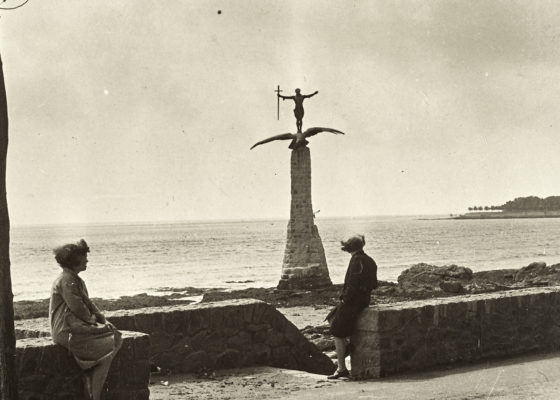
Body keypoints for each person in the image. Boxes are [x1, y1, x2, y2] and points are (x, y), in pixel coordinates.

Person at [49, 239, 122, 400]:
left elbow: (88, 304)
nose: (87, 260)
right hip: (66, 330)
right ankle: (93, 395)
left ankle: (90, 376)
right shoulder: (66, 280)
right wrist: (94, 321)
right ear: (75, 260)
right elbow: (78, 307)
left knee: (115, 338)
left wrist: (103, 320)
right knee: (111, 346)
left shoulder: (73, 278)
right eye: (84, 257)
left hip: (74, 327)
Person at [327, 234, 378, 379]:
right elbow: (374, 284)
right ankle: (347, 346)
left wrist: (345, 299)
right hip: (364, 300)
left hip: (353, 302)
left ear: (349, 247)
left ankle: (341, 368)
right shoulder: (369, 260)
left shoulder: (356, 260)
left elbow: (353, 284)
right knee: (332, 318)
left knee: (336, 331)